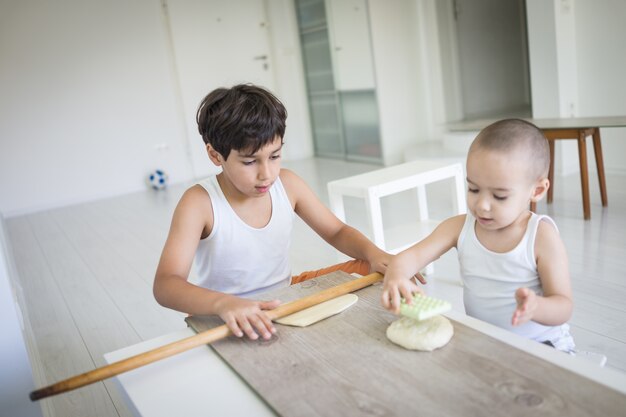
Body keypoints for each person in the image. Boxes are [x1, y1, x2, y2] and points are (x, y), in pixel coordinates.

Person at [154, 84, 393, 341]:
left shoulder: (288, 184)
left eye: (275, 156)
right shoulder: (199, 202)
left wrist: (376, 253)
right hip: (224, 311)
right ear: (215, 155)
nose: (266, 173)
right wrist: (223, 304)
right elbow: (166, 284)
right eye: (249, 161)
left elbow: (336, 231)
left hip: (283, 295)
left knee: (374, 267)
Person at [381, 119, 575, 352]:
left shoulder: (541, 236)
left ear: (537, 190)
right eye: (473, 189)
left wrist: (537, 308)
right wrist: (396, 276)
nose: (482, 205)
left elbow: (563, 306)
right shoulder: (458, 227)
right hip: (487, 344)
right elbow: (410, 257)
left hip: (544, 347)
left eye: (499, 196)